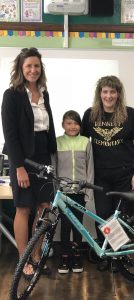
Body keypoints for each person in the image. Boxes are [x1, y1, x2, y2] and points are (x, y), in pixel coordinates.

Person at [1, 47, 57, 278]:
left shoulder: (44, 92)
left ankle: (37, 257)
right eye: (28, 66)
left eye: (36, 66)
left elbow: (47, 127)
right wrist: (19, 167)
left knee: (43, 208)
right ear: (21, 69)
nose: (33, 70)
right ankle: (24, 260)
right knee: (23, 209)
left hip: (43, 154)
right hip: (23, 158)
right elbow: (11, 135)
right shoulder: (12, 94)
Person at [81, 75, 134, 271]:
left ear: (118, 94)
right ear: (99, 94)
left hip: (125, 174)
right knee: (104, 215)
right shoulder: (90, 115)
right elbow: (82, 145)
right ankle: (108, 255)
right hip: (100, 176)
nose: (108, 96)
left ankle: (120, 257)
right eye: (105, 91)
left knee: (123, 216)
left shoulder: (129, 114)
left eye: (112, 92)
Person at [53, 110, 94, 274]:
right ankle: (64, 256)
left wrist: (88, 191)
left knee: (78, 225)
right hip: (63, 193)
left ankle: (76, 256)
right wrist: (55, 191)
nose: (72, 126)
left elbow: (90, 168)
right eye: (69, 123)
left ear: (80, 125)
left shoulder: (86, 142)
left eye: (76, 123)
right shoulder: (56, 142)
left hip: (80, 191)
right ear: (63, 124)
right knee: (65, 225)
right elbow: (54, 168)